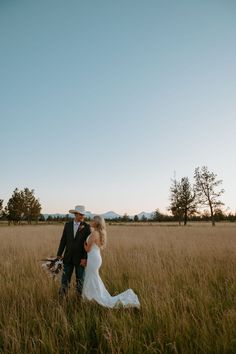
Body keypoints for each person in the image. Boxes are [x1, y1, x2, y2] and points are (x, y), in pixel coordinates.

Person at [82, 215, 140, 308]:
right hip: (96, 258)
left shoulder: (94, 234)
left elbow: (88, 249)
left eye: (93, 220)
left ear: (96, 222)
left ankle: (93, 298)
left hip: (93, 258)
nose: (91, 221)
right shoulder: (99, 233)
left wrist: (83, 244)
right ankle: (92, 297)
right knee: (93, 277)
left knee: (91, 277)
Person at [57, 205, 91, 297]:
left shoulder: (87, 227)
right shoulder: (67, 225)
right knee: (65, 279)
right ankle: (62, 298)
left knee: (80, 280)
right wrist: (59, 254)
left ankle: (78, 300)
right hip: (67, 257)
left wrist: (84, 258)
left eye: (83, 215)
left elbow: (88, 244)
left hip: (80, 259)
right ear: (75, 214)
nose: (82, 217)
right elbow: (63, 240)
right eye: (81, 215)